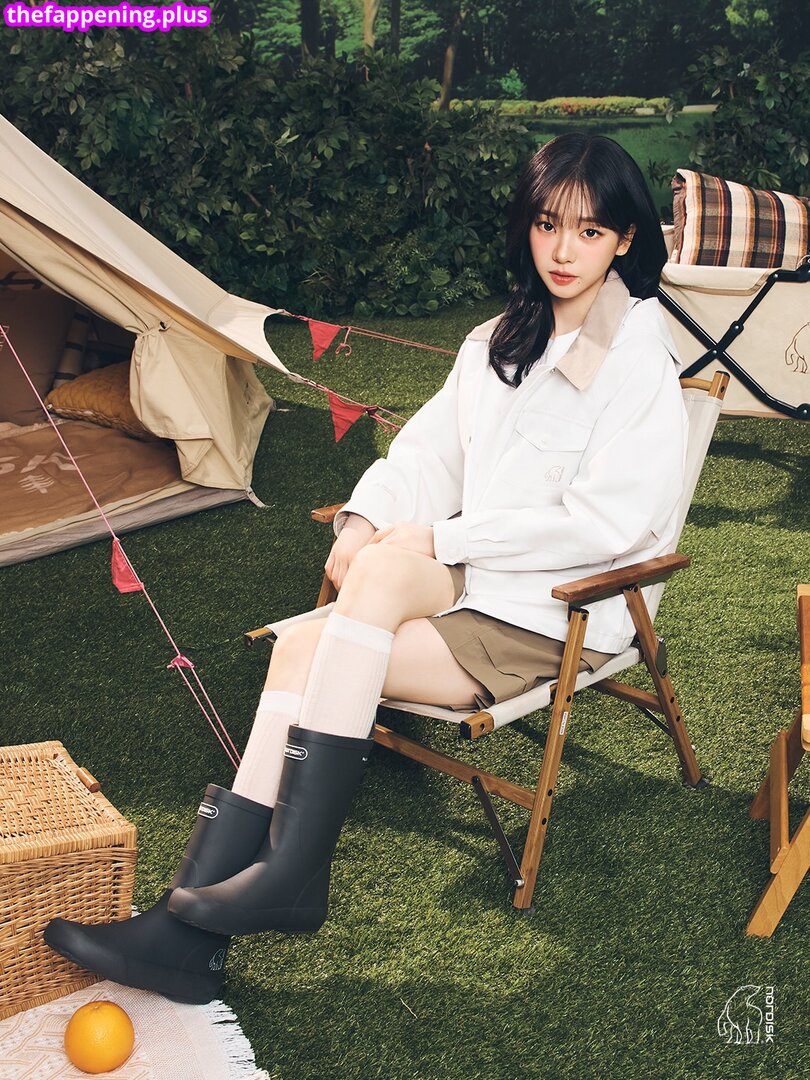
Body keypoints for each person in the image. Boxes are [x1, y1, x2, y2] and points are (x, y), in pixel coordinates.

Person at [44, 132, 687, 1004]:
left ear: (625, 239)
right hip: (476, 581)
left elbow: (606, 524)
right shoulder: (500, 339)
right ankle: (243, 901)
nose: (563, 251)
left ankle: (238, 904)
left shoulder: (638, 358)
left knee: (314, 642)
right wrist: (366, 519)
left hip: (550, 613)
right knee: (336, 608)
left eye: (590, 231)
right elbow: (425, 454)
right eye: (547, 225)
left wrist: (443, 541)